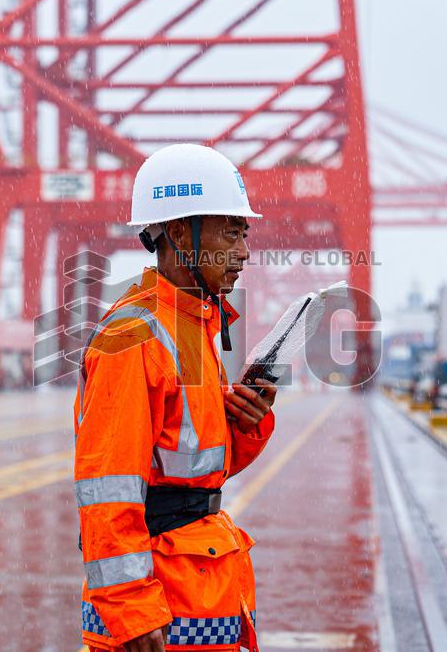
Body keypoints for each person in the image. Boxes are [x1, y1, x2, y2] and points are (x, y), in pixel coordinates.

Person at [74, 144, 278, 652]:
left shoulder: (190, 327)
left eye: (244, 232)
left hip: (197, 597)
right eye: (230, 231)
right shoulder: (133, 338)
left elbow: (195, 469)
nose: (244, 251)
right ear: (177, 231)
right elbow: (108, 488)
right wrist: (132, 610)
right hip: (160, 614)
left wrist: (246, 424)